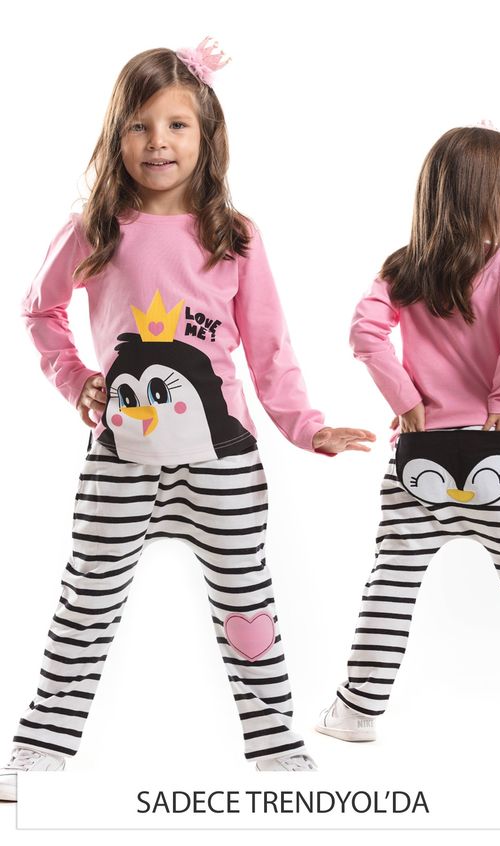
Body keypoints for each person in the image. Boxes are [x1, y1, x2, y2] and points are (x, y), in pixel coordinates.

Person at [0, 38, 375, 801]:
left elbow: (269, 348)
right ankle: (40, 744)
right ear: (116, 135)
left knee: (246, 600)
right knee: (87, 599)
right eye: (139, 126)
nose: (157, 142)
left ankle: (274, 744)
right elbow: (39, 310)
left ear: (206, 136)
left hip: (224, 460)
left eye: (176, 125)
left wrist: (306, 426)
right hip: (121, 457)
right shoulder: (95, 227)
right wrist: (76, 380)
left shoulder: (234, 235)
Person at [316, 124, 500, 746]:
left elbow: (365, 334)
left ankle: (356, 712)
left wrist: (407, 401)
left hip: (419, 457)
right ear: (480, 195)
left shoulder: (404, 269)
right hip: (497, 452)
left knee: (392, 581)